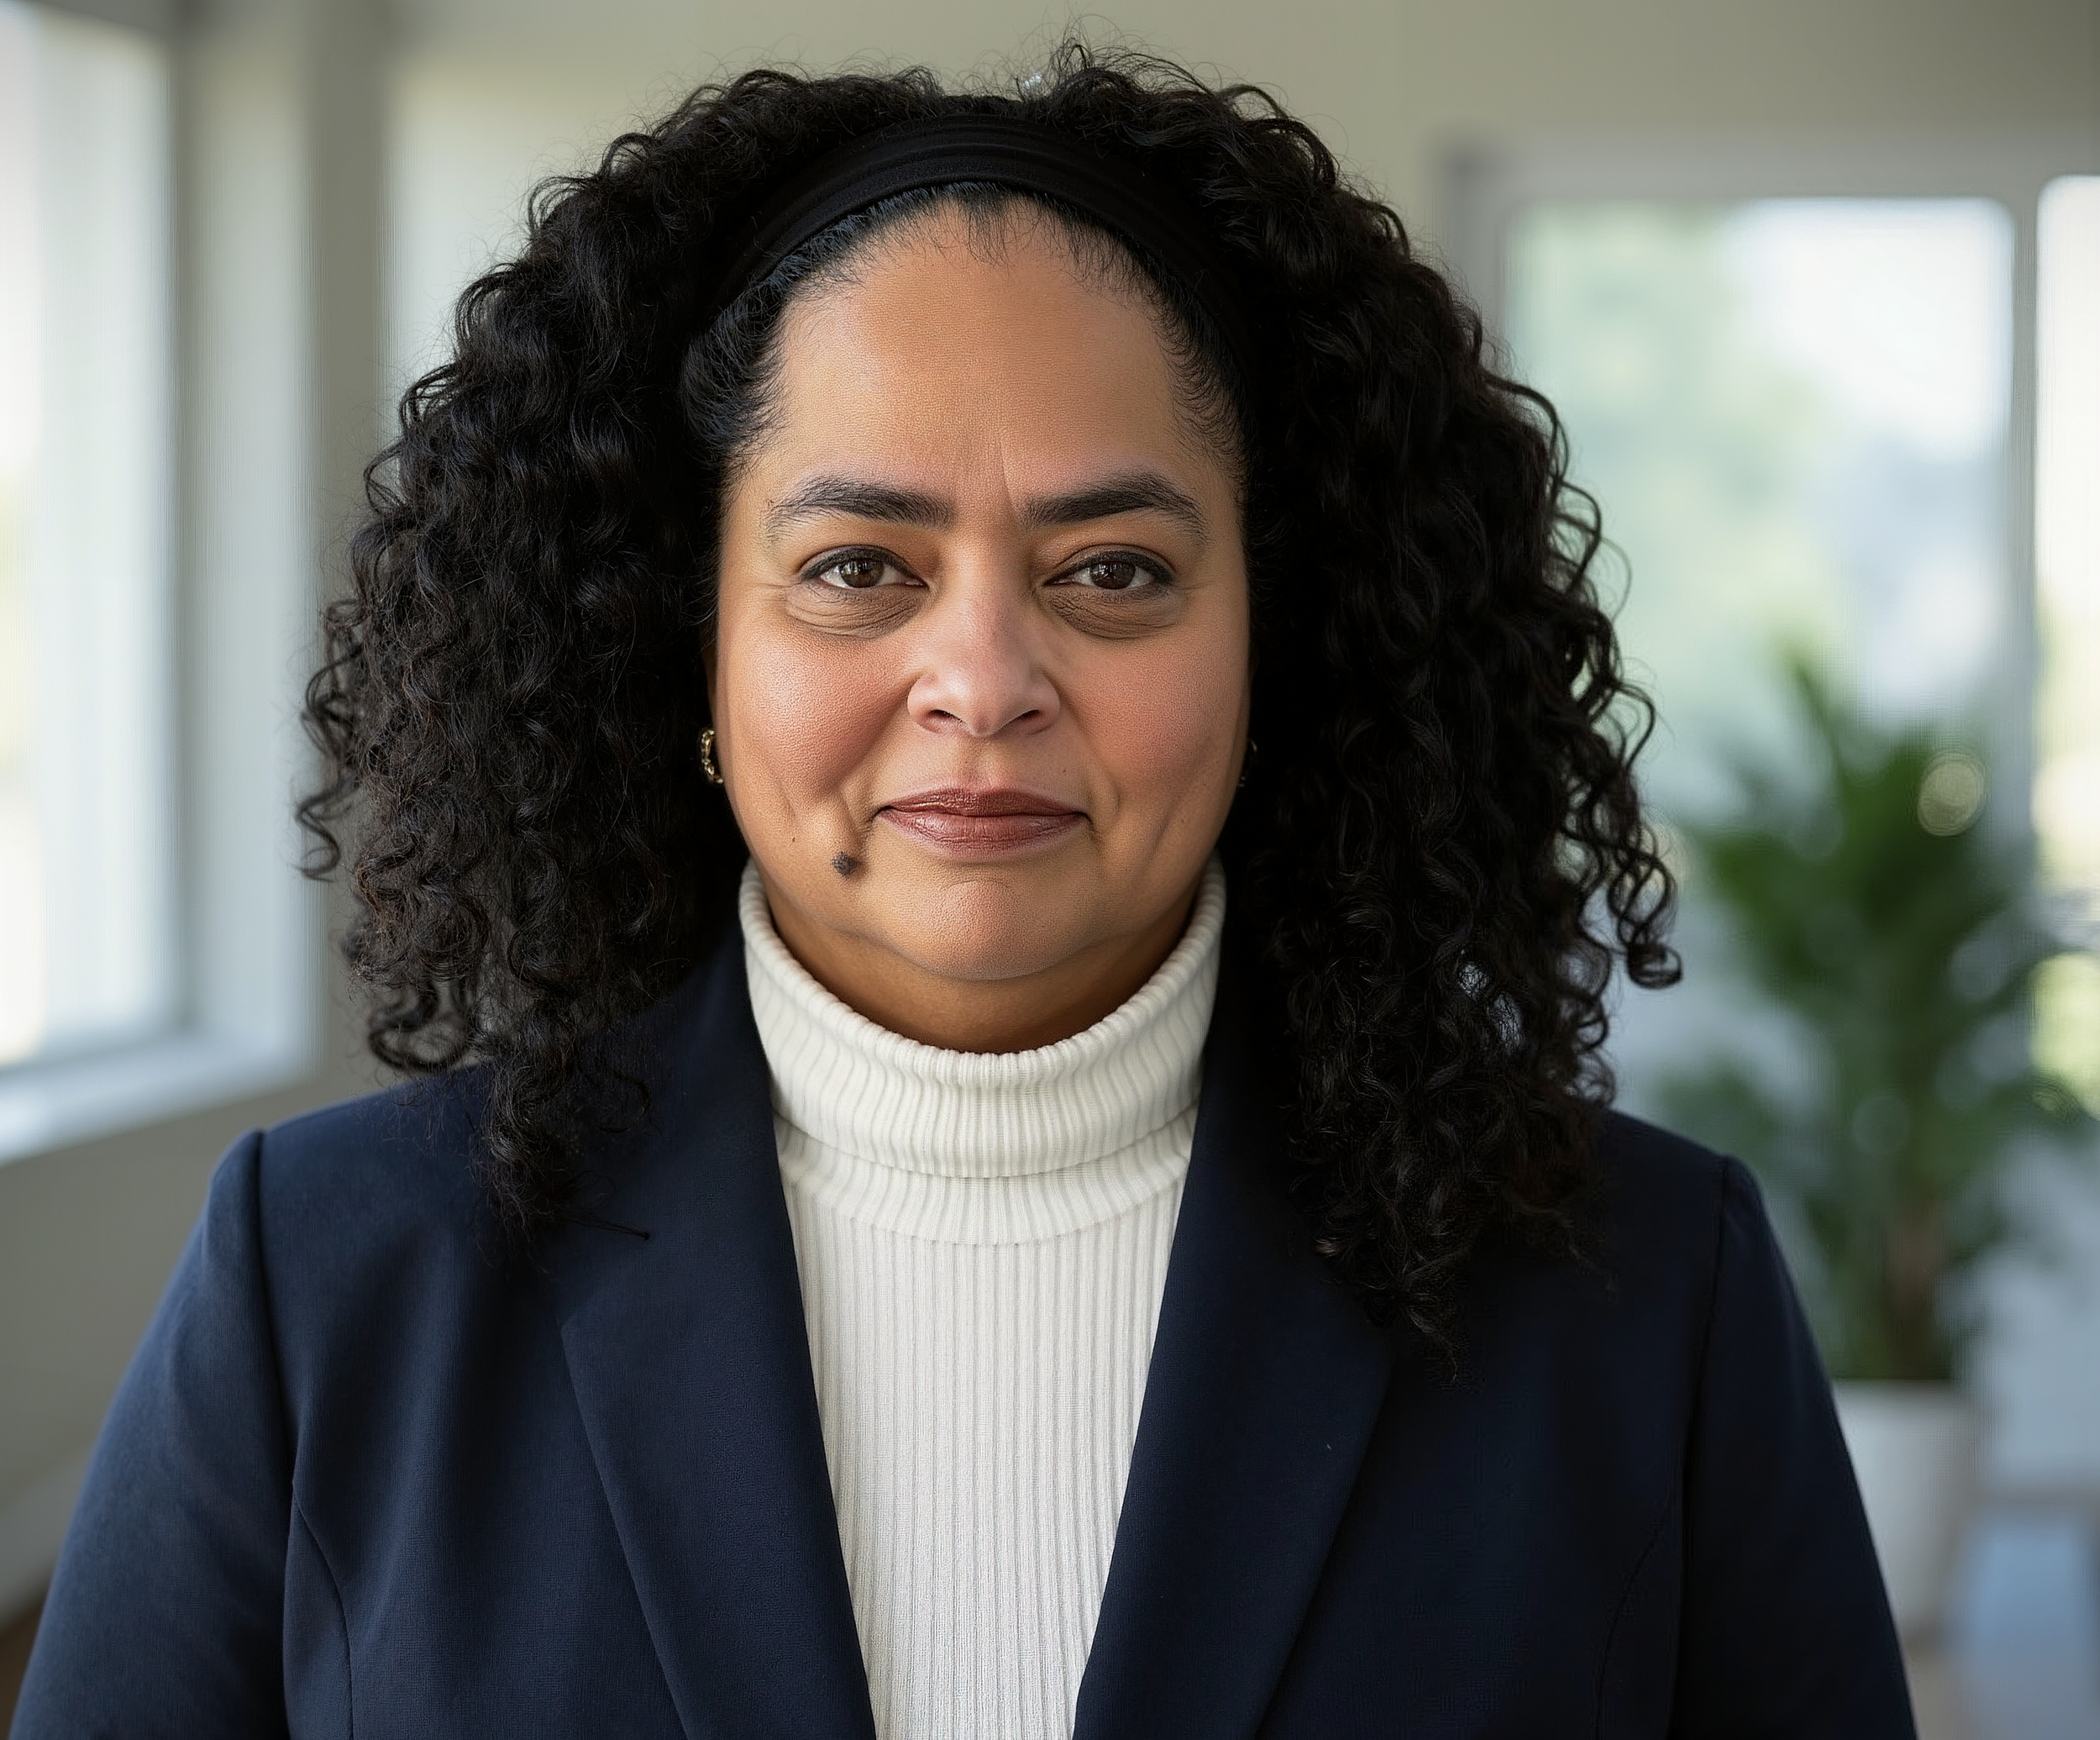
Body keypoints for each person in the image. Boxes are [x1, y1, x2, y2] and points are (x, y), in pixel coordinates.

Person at [13, 46, 1914, 1740]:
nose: (984, 677)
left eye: (1111, 573)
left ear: (1279, 649)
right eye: (855, 567)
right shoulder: (329, 1277)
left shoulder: (1642, 1294)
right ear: (684, 645)